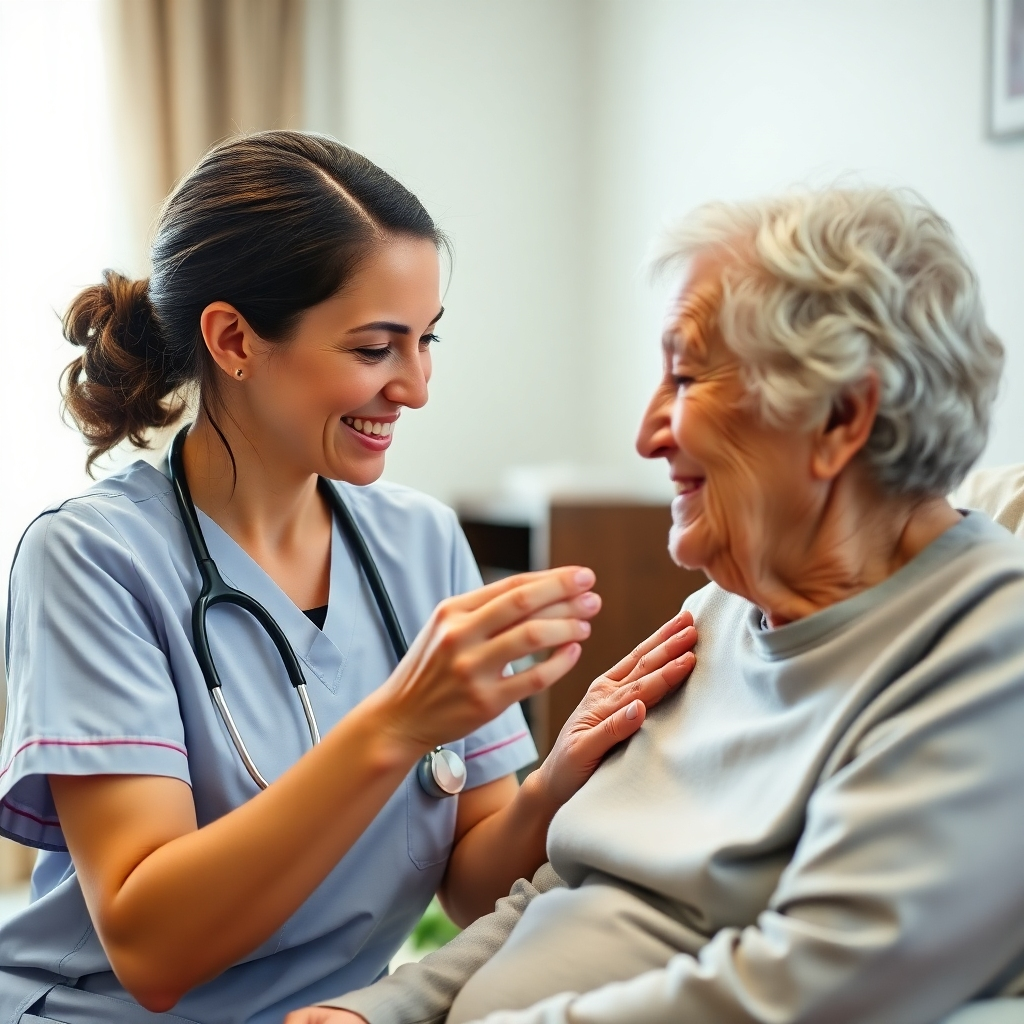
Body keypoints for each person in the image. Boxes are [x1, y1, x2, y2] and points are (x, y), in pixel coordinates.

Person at [0, 131, 698, 1024]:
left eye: (425, 341)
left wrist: (561, 773)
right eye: (375, 349)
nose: (415, 386)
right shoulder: (93, 561)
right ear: (233, 339)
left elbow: (477, 887)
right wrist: (398, 722)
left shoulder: (420, 544)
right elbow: (153, 950)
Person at [295, 187, 1024, 1024]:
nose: (648, 433)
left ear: (840, 417)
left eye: (685, 375)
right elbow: (564, 882)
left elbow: (817, 983)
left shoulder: (984, 646)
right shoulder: (721, 614)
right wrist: (384, 1011)